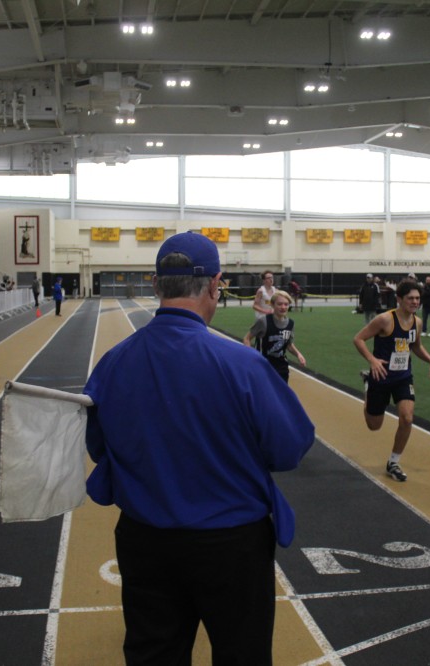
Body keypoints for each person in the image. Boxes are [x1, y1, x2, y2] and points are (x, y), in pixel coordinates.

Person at [83, 231, 314, 665]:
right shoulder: (244, 365)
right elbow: (290, 447)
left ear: (156, 285)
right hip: (231, 542)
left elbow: (98, 447)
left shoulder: (112, 363)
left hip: (145, 540)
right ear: (215, 286)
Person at [353, 280, 430, 482]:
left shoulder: (417, 322)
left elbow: (416, 346)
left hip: (403, 377)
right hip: (381, 377)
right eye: (410, 298)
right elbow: (358, 339)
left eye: (417, 298)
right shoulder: (385, 320)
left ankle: (393, 462)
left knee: (407, 418)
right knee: (374, 425)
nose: (415, 302)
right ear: (399, 299)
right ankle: (367, 384)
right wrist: (372, 360)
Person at [243, 289, 306, 384]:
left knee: (281, 392)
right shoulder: (263, 321)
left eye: (286, 304)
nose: (283, 307)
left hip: (281, 367)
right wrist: (250, 354)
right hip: (263, 365)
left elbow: (288, 344)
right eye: (279, 304)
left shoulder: (290, 324)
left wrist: (298, 354)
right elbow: (247, 338)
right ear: (272, 305)